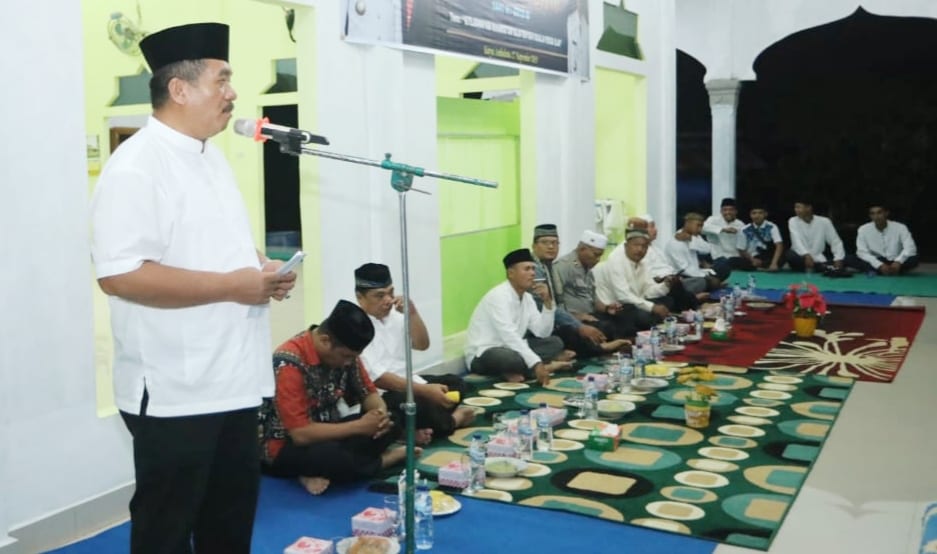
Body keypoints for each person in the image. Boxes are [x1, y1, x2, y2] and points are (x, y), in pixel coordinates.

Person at [89, 23, 296, 554]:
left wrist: (261, 269)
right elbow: (120, 275)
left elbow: (210, 244)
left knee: (230, 520)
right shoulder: (136, 166)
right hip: (174, 386)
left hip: (234, 377)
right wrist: (233, 286)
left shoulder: (211, 156)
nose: (233, 93)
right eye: (221, 80)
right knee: (167, 528)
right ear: (179, 89)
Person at [259, 300, 411, 497]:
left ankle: (320, 470)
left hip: (330, 432)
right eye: (346, 357)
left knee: (394, 417)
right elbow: (300, 434)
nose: (349, 362)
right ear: (325, 341)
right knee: (334, 457)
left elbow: (368, 393)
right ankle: (384, 460)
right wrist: (359, 427)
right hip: (285, 446)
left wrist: (379, 417)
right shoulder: (288, 363)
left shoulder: (345, 353)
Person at [354, 263, 476, 442]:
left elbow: (422, 344)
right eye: (379, 295)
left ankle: (413, 429)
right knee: (416, 405)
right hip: (381, 394)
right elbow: (378, 378)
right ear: (360, 297)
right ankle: (452, 421)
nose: (388, 300)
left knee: (455, 383)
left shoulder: (395, 317)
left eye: (390, 292)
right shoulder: (355, 325)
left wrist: (412, 313)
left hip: (409, 383)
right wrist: (425, 391)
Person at [465, 248, 575, 384]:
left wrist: (547, 302)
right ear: (511, 273)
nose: (532, 273)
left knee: (554, 343)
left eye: (533, 269)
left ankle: (517, 371)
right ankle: (544, 367)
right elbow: (509, 335)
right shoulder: (498, 296)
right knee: (511, 359)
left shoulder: (527, 298)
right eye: (527, 269)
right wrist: (536, 363)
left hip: (512, 348)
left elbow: (542, 332)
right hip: (485, 353)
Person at [529, 224, 622, 357]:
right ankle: (601, 349)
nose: (551, 247)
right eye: (545, 242)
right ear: (534, 246)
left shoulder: (547, 267)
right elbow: (548, 307)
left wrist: (606, 308)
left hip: (555, 320)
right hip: (538, 326)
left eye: (555, 243)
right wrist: (578, 324)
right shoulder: (534, 270)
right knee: (566, 337)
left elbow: (590, 297)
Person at [552, 230, 631, 347]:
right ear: (582, 249)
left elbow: (592, 299)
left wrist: (607, 308)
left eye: (600, 256)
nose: (598, 259)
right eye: (596, 255)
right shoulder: (563, 266)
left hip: (590, 315)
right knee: (606, 328)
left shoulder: (588, 269)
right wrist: (576, 316)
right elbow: (555, 302)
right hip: (573, 319)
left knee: (627, 314)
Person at [593, 228, 675, 337]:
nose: (640, 249)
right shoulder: (615, 262)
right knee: (644, 316)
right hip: (613, 308)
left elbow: (648, 291)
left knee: (667, 301)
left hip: (633, 304)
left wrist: (666, 285)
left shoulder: (643, 263)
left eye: (644, 246)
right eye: (636, 245)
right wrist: (652, 307)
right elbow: (623, 296)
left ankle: (650, 327)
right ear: (626, 246)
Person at [845, 203, 919, 275]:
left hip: (896, 259)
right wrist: (879, 265)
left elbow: (910, 248)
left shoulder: (901, 227)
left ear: (886, 213)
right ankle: (889, 270)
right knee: (848, 258)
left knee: (914, 258)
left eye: (879, 213)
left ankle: (886, 270)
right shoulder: (863, 229)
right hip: (877, 260)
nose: (876, 216)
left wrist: (898, 261)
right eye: (872, 214)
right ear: (870, 216)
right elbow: (861, 252)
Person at [665, 212, 729, 291]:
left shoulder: (694, 236)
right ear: (687, 223)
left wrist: (691, 240)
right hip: (683, 275)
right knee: (704, 282)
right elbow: (684, 269)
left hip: (697, 270)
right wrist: (705, 276)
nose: (700, 229)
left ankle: (711, 285)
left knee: (723, 264)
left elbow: (707, 249)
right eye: (698, 225)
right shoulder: (675, 242)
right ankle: (710, 286)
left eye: (701, 226)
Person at [786, 200, 846, 273]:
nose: (796, 210)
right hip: (801, 257)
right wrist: (806, 255)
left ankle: (823, 267)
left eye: (798, 207)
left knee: (847, 259)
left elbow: (835, 241)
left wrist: (838, 258)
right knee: (790, 255)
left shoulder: (824, 221)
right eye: (795, 207)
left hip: (818, 258)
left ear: (808, 208)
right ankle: (824, 267)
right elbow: (796, 242)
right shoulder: (793, 221)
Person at [703, 197, 746, 271]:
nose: (727, 212)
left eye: (731, 210)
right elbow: (702, 228)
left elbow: (741, 245)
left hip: (733, 256)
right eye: (725, 210)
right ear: (721, 211)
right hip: (716, 255)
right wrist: (723, 230)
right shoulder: (713, 220)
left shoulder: (740, 224)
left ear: (736, 211)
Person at [739, 203, 785, 271]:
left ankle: (768, 266)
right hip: (752, 257)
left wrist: (774, 263)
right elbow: (741, 249)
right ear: (750, 215)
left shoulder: (772, 227)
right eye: (754, 213)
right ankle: (762, 267)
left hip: (767, 256)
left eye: (760, 213)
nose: (757, 216)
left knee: (783, 258)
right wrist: (753, 260)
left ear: (765, 214)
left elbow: (779, 245)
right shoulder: (744, 229)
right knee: (739, 261)